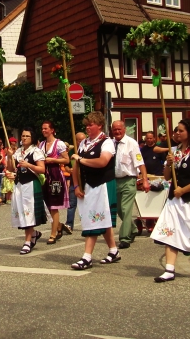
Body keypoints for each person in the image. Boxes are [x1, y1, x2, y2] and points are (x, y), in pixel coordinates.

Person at [151, 119, 190, 282]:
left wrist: (183, 190)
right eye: (176, 130)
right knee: (170, 231)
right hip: (174, 200)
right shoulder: (175, 151)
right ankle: (169, 269)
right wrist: (168, 165)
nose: (177, 133)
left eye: (180, 131)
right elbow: (167, 176)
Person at [70, 111, 120, 269]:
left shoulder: (107, 142)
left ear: (99, 125)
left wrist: (82, 159)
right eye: (86, 125)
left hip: (102, 185)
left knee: (94, 221)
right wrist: (76, 186)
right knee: (99, 219)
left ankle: (87, 257)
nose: (87, 127)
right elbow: (75, 168)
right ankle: (113, 250)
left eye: (90, 125)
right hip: (88, 186)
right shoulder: (84, 143)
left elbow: (103, 161)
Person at [6, 127, 47, 255]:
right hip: (19, 185)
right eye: (22, 136)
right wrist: (9, 157)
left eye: (26, 136)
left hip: (30, 185)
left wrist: (28, 165)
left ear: (32, 138)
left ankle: (27, 242)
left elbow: (42, 169)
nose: (23, 138)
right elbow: (11, 167)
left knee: (28, 212)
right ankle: (33, 234)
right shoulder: (18, 151)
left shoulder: (36, 151)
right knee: (22, 212)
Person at [111, 121, 149, 249]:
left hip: (128, 180)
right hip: (115, 181)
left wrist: (145, 180)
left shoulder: (131, 143)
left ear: (124, 129)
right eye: (114, 129)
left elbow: (140, 162)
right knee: (120, 210)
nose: (117, 132)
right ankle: (132, 229)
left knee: (126, 209)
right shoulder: (111, 143)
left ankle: (124, 238)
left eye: (119, 129)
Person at [39, 121, 70, 244]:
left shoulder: (59, 144)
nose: (43, 130)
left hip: (55, 175)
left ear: (52, 130)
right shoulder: (41, 144)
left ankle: (53, 234)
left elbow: (67, 160)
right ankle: (59, 225)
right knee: (46, 204)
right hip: (44, 175)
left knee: (54, 205)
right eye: (42, 128)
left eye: (46, 128)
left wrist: (53, 159)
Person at [64, 132, 86, 234]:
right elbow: (66, 165)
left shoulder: (88, 149)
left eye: (83, 139)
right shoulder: (71, 152)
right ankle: (69, 224)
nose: (81, 141)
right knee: (72, 204)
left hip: (86, 181)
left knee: (88, 204)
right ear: (76, 141)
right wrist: (69, 170)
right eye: (79, 140)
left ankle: (89, 224)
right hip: (74, 181)